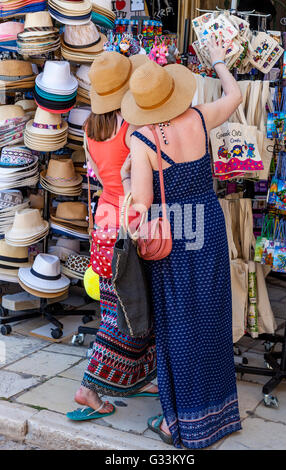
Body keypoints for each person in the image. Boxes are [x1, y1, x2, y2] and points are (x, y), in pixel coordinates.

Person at [120, 35, 243, 448]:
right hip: (208, 222)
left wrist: (126, 223)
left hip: (175, 233)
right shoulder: (198, 117)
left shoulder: (142, 141)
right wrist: (220, 62)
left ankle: (182, 424)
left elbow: (142, 205)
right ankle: (219, 415)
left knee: (179, 324)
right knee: (210, 317)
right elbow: (236, 95)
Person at [67, 52, 158, 422]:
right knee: (126, 311)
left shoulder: (90, 129)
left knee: (120, 304)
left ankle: (141, 377)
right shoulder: (132, 128)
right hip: (129, 225)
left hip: (103, 221)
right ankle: (89, 387)